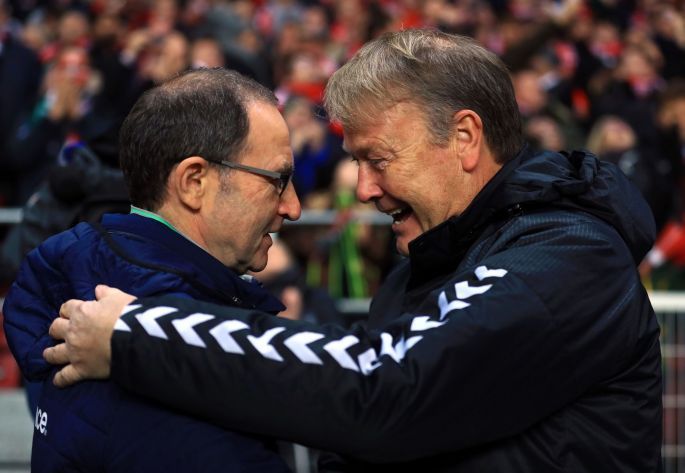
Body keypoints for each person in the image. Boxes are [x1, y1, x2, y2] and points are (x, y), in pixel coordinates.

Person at [45, 30, 661, 472]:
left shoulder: (569, 254)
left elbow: (388, 387)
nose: (364, 189)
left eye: (379, 159)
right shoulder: (412, 276)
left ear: (465, 138)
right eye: (356, 162)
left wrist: (138, 336)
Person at [3, 68, 300, 472]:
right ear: (194, 182)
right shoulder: (176, 354)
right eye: (278, 180)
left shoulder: (82, 282)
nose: (293, 207)